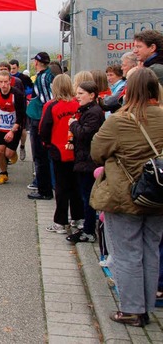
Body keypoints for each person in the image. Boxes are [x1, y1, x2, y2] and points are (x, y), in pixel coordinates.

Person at [90, 67, 163, 327]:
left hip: (124, 195)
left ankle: (132, 309)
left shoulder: (120, 120)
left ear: (129, 91)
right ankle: (146, 306)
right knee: (150, 251)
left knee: (127, 252)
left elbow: (97, 152)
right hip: (157, 195)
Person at [39, 74, 82, 234]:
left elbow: (44, 128)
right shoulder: (77, 104)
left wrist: (46, 144)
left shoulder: (51, 106)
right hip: (76, 150)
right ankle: (78, 218)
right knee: (76, 186)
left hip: (58, 149)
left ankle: (61, 221)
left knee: (61, 186)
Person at [65, 80, 105, 243]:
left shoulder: (94, 113)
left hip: (89, 161)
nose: (77, 96)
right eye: (77, 93)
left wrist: (73, 125)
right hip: (84, 158)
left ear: (92, 95)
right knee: (85, 195)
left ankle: (89, 231)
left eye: (81, 93)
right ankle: (87, 227)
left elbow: (86, 134)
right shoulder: (88, 110)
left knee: (88, 196)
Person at [26, 52, 56, 200]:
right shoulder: (48, 75)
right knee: (42, 157)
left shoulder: (43, 78)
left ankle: (44, 190)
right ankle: (45, 187)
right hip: (40, 118)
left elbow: (47, 100)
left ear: (37, 63)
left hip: (40, 120)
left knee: (40, 156)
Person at [0, 71, 26, 185]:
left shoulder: (18, 94)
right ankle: (3, 173)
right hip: (1, 126)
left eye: (6, 82)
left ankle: (13, 153)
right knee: (0, 151)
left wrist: (12, 131)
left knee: (8, 154)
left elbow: (21, 115)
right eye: (1, 82)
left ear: (10, 81)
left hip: (14, 126)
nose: (4, 85)